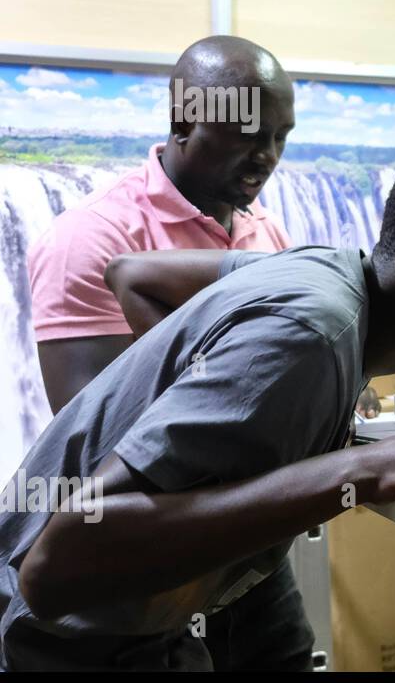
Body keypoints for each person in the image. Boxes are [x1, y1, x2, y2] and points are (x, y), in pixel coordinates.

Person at [0, 140, 395, 670]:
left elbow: (138, 275)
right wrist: (368, 467)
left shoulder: (324, 272)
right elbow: (53, 569)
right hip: (49, 649)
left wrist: (220, 398)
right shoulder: (308, 334)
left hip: (137, 632)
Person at [28, 35, 296, 414]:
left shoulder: (267, 229)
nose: (268, 155)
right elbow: (90, 431)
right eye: (246, 134)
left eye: (280, 137)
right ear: (185, 123)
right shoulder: (90, 238)